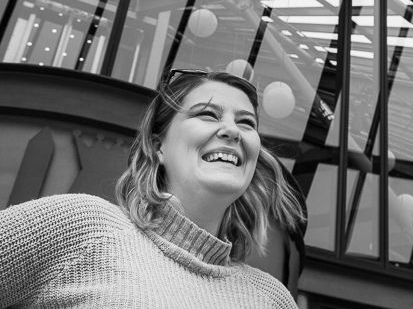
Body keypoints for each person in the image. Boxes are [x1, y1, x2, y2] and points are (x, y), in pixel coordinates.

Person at [0, 69, 306, 308]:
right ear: (158, 147)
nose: (232, 130)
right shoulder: (84, 227)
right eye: (208, 114)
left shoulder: (273, 299)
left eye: (246, 123)